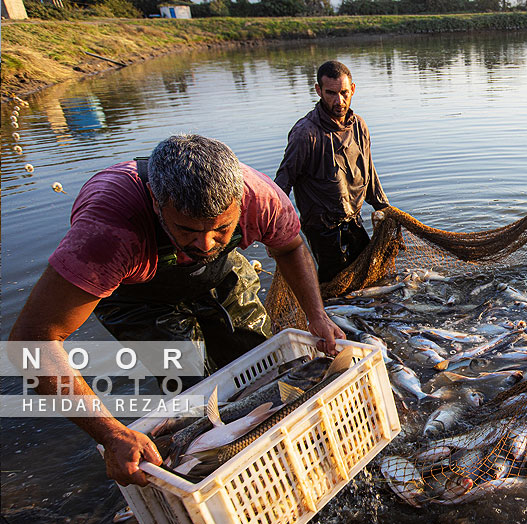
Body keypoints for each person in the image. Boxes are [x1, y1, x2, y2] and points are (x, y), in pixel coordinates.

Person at [9, 134, 345, 486]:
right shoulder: (109, 232)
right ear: (157, 204)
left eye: (222, 228)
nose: (204, 243)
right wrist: (109, 432)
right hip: (139, 295)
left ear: (239, 202)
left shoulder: (260, 197)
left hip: (220, 274)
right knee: (191, 390)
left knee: (264, 368)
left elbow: (291, 249)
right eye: (187, 229)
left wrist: (316, 315)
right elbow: (33, 338)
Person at [275, 60, 390, 284]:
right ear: (318, 90)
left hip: (353, 220)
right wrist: (277, 229)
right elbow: (282, 183)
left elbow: (369, 172)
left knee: (367, 278)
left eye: (344, 93)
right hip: (322, 228)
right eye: (331, 93)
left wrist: (384, 209)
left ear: (353, 89)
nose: (339, 101)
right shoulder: (304, 133)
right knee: (334, 284)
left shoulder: (359, 126)